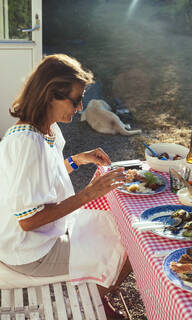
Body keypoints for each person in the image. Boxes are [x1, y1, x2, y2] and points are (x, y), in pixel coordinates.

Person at [0, 54, 132, 319]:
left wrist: (76, 160)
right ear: (51, 95)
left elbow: (45, 175)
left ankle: (96, 294)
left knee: (117, 228)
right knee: (127, 247)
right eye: (76, 99)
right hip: (30, 251)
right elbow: (28, 220)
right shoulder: (28, 143)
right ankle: (96, 303)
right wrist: (89, 193)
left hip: (42, 237)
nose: (81, 107)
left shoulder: (44, 129)